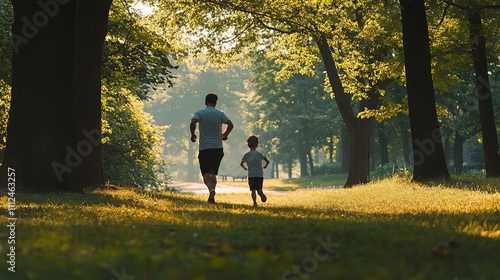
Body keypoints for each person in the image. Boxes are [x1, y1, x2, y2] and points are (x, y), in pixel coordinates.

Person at [190, 93, 234, 203]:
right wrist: (224, 134)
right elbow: (230, 124)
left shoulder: (200, 113)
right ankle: (213, 189)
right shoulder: (220, 114)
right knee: (213, 172)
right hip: (217, 148)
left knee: (205, 172)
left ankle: (210, 190)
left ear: (205, 102)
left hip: (204, 148)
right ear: (215, 102)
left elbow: (193, 122)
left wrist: (192, 134)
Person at [240, 136, 269, 207]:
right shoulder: (259, 154)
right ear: (257, 145)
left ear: (248, 145)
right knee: (259, 188)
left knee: (253, 190)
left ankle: (255, 202)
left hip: (251, 174)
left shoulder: (246, 155)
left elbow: (241, 163)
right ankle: (261, 193)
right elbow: (267, 161)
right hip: (259, 174)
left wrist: (245, 168)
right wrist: (265, 166)